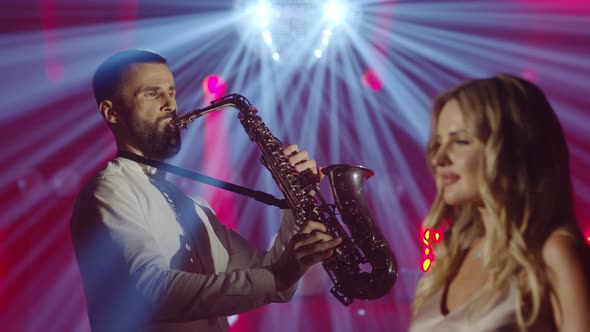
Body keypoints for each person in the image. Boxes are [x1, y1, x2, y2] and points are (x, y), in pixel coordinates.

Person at [69, 49, 342, 332]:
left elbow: (270, 277)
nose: (170, 105)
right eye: (152, 93)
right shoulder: (108, 190)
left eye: (171, 92)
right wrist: (276, 277)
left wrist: (294, 200)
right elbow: (149, 292)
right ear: (111, 112)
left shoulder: (192, 205)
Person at [409, 74, 590, 331]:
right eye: (437, 143)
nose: (439, 158)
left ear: (511, 148)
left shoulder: (553, 252)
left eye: (460, 141)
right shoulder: (449, 259)